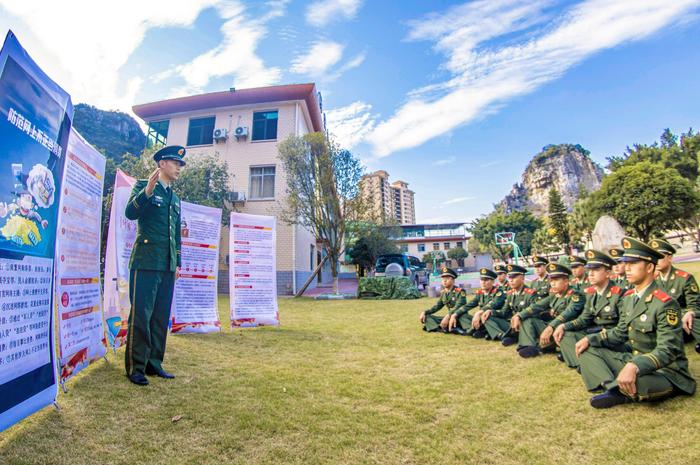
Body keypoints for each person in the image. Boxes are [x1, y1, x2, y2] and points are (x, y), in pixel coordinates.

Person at [575, 237, 696, 408]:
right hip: (635, 359)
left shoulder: (665, 303)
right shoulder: (629, 298)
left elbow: (668, 349)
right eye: (626, 263)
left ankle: (618, 388)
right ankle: (616, 387)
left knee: (639, 380)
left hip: (665, 371)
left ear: (649, 267)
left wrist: (634, 365)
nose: (627, 268)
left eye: (633, 263)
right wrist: (590, 339)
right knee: (589, 349)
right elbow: (620, 333)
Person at [123, 145, 185, 386]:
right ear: (161, 164)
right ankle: (136, 367)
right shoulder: (143, 186)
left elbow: (176, 235)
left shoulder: (174, 197)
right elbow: (130, 213)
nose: (179, 167)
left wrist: (177, 262)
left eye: (180, 164)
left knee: (160, 317)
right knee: (141, 315)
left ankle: (154, 363)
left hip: (167, 265)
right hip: (146, 261)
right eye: (175, 163)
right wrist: (147, 191)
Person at [554, 250, 625, 371]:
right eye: (589, 270)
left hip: (610, 337)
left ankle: (590, 363)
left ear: (608, 273)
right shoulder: (592, 294)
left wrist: (594, 337)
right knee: (566, 335)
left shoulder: (620, 294)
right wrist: (563, 326)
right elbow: (584, 319)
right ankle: (581, 364)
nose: (590, 274)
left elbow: (621, 329)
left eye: (596, 270)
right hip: (594, 332)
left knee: (591, 344)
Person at [511, 262, 585, 358]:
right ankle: (530, 347)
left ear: (566, 281)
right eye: (551, 280)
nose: (552, 283)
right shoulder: (554, 294)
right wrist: (519, 315)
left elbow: (568, 313)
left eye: (556, 280)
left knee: (564, 334)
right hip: (554, 328)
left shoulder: (575, 295)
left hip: (568, 329)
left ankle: (556, 348)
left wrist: (551, 327)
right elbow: (538, 305)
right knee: (528, 319)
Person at [650, 238, 700, 354]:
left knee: (692, 319)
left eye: (660, 257)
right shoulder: (653, 281)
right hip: (660, 323)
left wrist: (689, 312)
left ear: (670, 257)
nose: (656, 261)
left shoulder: (684, 278)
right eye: (654, 257)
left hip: (681, 322)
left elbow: (695, 305)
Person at [481, 264, 536, 346]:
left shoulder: (530, 293)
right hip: (512, 324)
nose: (511, 280)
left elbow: (534, 313)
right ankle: (501, 335)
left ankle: (513, 337)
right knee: (487, 316)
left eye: (514, 277)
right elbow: (504, 312)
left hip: (525, 325)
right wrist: (491, 311)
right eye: (509, 277)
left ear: (522, 278)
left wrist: (519, 316)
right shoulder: (510, 294)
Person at [454, 268, 506, 337]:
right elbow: (469, 305)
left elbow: (492, 304)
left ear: (493, 282)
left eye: (486, 280)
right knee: (462, 315)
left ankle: (474, 331)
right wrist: (455, 314)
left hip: (494, 319)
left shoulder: (498, 292)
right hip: (482, 319)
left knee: (486, 316)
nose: (483, 282)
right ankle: (473, 329)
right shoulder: (480, 293)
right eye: (482, 280)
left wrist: (479, 312)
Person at [420, 267, 466, 333]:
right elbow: (437, 306)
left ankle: (447, 327)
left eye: (447, 278)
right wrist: (425, 312)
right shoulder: (444, 293)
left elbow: (458, 306)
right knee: (427, 317)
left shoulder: (460, 291)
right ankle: (440, 328)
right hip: (449, 317)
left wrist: (448, 316)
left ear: (453, 280)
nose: (444, 281)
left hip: (459, 316)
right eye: (443, 279)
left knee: (461, 319)